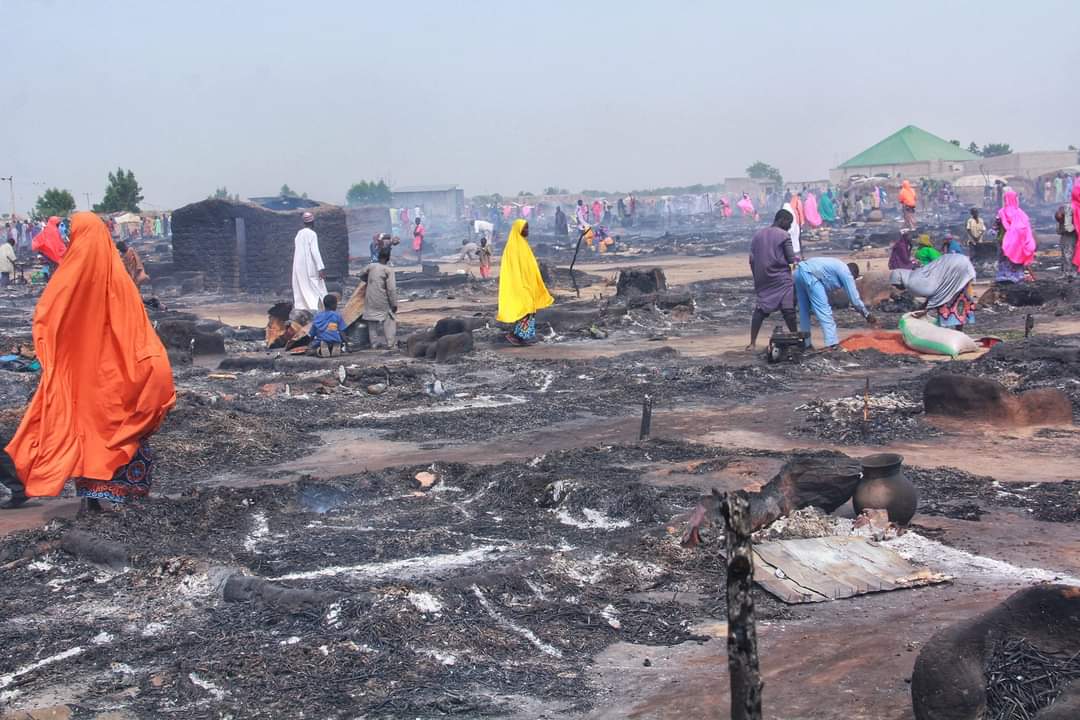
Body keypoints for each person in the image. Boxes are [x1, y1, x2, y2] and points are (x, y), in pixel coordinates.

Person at [2, 213, 175, 511]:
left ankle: (92, 499)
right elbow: (136, 328)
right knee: (118, 433)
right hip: (120, 372)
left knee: (88, 434)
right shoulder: (117, 277)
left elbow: (48, 318)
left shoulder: (70, 277)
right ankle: (119, 497)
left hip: (84, 375)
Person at [793, 257, 875, 349]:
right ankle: (832, 344)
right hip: (810, 275)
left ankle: (805, 343)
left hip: (798, 273)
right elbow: (854, 299)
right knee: (824, 311)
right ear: (853, 275)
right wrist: (866, 314)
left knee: (804, 311)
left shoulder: (837, 266)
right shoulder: (846, 273)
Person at [747, 209, 798, 349]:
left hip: (762, 279)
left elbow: (752, 259)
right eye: (789, 223)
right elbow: (791, 260)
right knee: (788, 310)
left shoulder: (758, 235)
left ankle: (752, 342)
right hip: (781, 278)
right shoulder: (784, 235)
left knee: (760, 309)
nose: (789, 226)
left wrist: (757, 276)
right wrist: (795, 278)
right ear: (782, 220)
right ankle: (796, 338)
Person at [497, 219, 552, 346]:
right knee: (525, 308)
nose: (527, 231)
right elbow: (512, 269)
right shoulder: (512, 247)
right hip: (519, 284)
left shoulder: (523, 244)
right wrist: (520, 283)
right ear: (518, 229)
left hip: (527, 283)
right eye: (525, 228)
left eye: (528, 228)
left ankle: (521, 337)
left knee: (529, 310)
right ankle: (515, 335)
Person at [891, 254, 978, 330]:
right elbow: (932, 293)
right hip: (961, 263)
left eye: (896, 284)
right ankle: (958, 331)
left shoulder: (911, 283)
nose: (896, 287)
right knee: (959, 300)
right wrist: (923, 309)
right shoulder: (915, 275)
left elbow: (934, 296)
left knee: (948, 303)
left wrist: (922, 311)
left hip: (956, 267)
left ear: (900, 280)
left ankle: (947, 332)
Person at [360, 246, 398, 349]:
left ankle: (374, 344)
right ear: (388, 258)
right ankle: (390, 343)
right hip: (382, 299)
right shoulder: (388, 270)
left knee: (371, 321)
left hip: (370, 298)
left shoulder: (371, 266)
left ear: (378, 256)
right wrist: (394, 304)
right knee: (389, 318)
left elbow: (361, 274)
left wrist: (368, 281)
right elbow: (391, 289)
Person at [291, 212, 327, 312]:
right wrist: (320, 267)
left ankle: (302, 309)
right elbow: (315, 251)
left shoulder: (299, 234)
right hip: (310, 266)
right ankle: (314, 309)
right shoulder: (312, 234)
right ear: (313, 222)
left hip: (298, 267)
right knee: (315, 287)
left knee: (302, 288)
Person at [997, 189, 1036, 278]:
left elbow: (996, 227)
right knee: (1018, 260)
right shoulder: (1021, 213)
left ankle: (1005, 278)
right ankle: (1018, 277)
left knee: (1005, 261)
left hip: (1005, 242)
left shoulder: (1002, 212)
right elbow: (1027, 227)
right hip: (1021, 242)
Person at [1054, 197, 1076, 278]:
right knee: (1068, 254)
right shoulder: (1068, 207)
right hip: (1069, 235)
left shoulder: (1071, 207)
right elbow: (1059, 217)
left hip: (1070, 235)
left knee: (1069, 254)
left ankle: (1069, 272)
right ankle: (1068, 273)